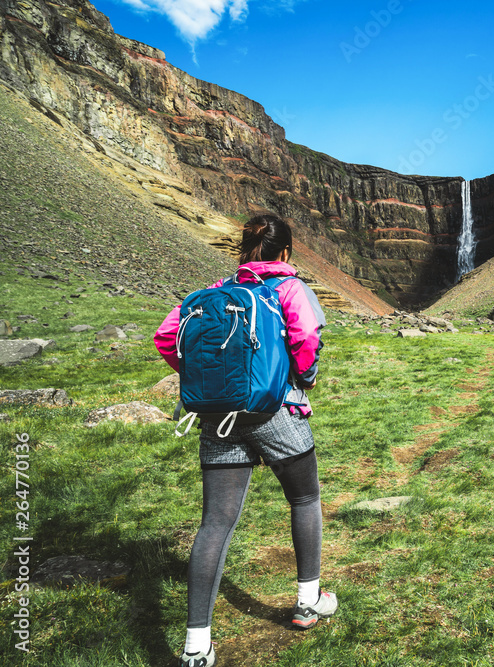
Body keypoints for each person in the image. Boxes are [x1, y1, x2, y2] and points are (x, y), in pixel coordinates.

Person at [155, 214, 336, 667]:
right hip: (276, 412)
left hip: (218, 418)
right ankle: (307, 601)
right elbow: (306, 338)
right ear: (286, 253)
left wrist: (210, 382)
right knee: (305, 497)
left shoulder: (213, 294)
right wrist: (304, 378)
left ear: (244, 249)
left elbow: (164, 338)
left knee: (215, 522)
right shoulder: (291, 288)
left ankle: (197, 646)